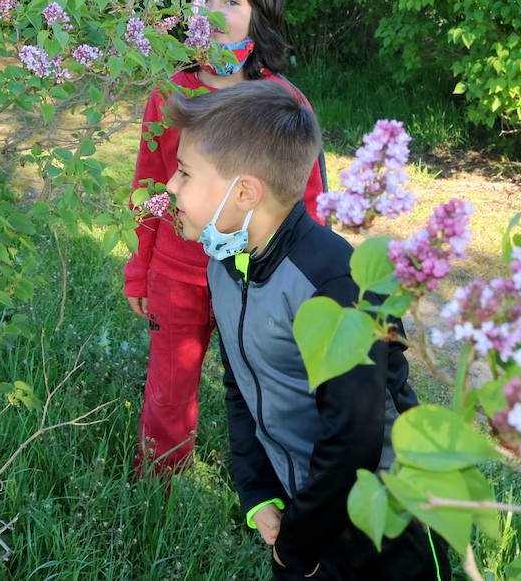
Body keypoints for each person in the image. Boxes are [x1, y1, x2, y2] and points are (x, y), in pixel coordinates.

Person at [163, 80, 451, 580]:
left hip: (386, 521)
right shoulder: (226, 262)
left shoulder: (337, 285)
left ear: (245, 191)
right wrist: (257, 493)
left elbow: (355, 438)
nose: (170, 184)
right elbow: (241, 387)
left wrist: (297, 546)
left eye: (185, 172)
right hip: (302, 512)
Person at [125, 0, 326, 476]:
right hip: (176, 271)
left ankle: (276, 491)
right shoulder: (168, 92)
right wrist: (140, 269)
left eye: (230, 0)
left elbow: (307, 203)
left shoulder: (283, 102)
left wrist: (310, 288)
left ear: (258, 14)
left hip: (256, 280)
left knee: (267, 387)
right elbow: (148, 185)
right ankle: (157, 486)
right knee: (169, 388)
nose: (212, 12)